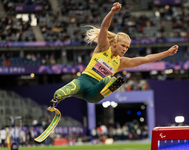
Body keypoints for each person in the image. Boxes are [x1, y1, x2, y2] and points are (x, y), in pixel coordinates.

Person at [50, 2, 178, 108]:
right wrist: (112, 12)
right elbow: (104, 27)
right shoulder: (102, 47)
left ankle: (110, 86)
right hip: (84, 81)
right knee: (69, 88)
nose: (125, 50)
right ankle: (55, 101)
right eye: (123, 46)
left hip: (95, 92)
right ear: (115, 43)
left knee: (108, 80)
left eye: (127, 47)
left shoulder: (121, 62)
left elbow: (145, 59)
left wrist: (167, 53)